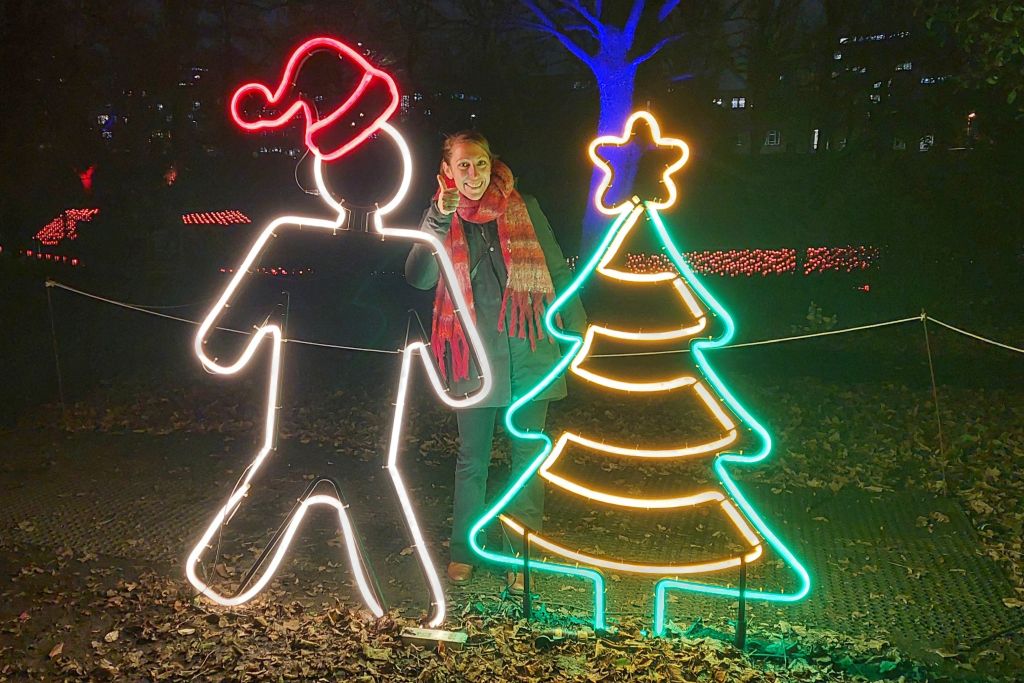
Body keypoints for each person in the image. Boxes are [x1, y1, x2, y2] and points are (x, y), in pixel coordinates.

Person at [405, 131, 585, 592]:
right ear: (447, 171)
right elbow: (420, 277)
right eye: (463, 165)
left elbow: (557, 269)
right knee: (473, 459)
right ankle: (464, 550)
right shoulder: (440, 214)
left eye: (480, 163)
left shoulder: (525, 207)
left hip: (530, 349)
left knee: (527, 457)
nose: (473, 174)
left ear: (492, 164)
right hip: (473, 357)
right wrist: (438, 217)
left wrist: (577, 327)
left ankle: (519, 555)